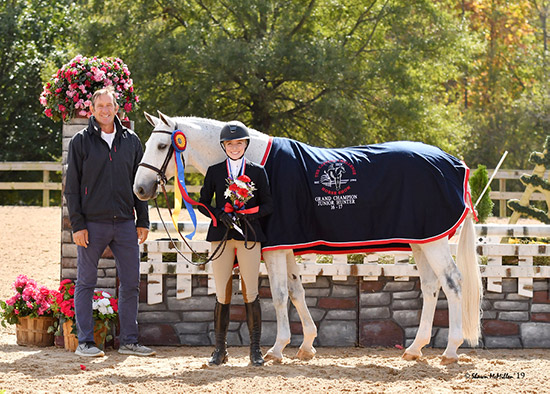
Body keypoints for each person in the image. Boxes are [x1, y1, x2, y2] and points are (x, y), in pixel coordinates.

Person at [65, 86, 155, 357]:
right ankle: (86, 343)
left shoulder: (131, 141)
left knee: (130, 282)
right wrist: (78, 225)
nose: (105, 110)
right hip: (92, 225)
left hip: (126, 223)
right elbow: (72, 188)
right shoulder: (80, 141)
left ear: (117, 108)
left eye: (109, 105)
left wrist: (144, 220)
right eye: (99, 106)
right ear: (92, 110)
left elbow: (138, 185)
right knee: (86, 282)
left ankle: (128, 341)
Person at [198, 121, 273, 367]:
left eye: (238, 143)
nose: (234, 147)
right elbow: (203, 203)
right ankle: (220, 349)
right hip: (221, 236)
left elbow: (269, 205)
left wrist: (248, 215)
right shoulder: (215, 171)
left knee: (251, 291)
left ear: (245, 145)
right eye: (230, 144)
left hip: (249, 235)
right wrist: (219, 214)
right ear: (224, 146)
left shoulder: (258, 171)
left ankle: (255, 350)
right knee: (222, 292)